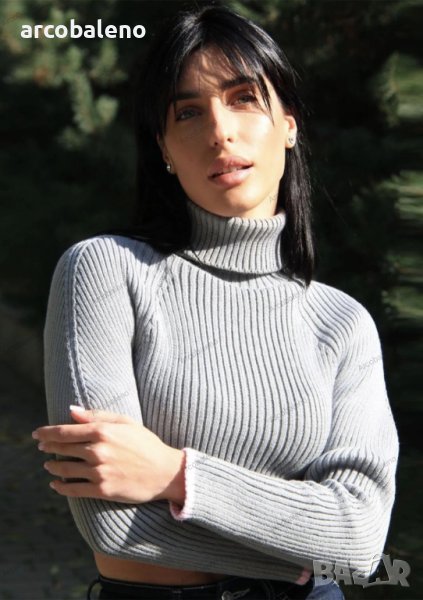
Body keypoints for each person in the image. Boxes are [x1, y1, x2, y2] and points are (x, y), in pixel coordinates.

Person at [33, 4, 399, 600]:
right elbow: (112, 526)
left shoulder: (341, 323)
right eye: (188, 112)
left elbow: (359, 539)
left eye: (244, 98)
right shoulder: (106, 271)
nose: (220, 131)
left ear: (289, 124)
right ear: (164, 148)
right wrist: (305, 551)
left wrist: (176, 475)